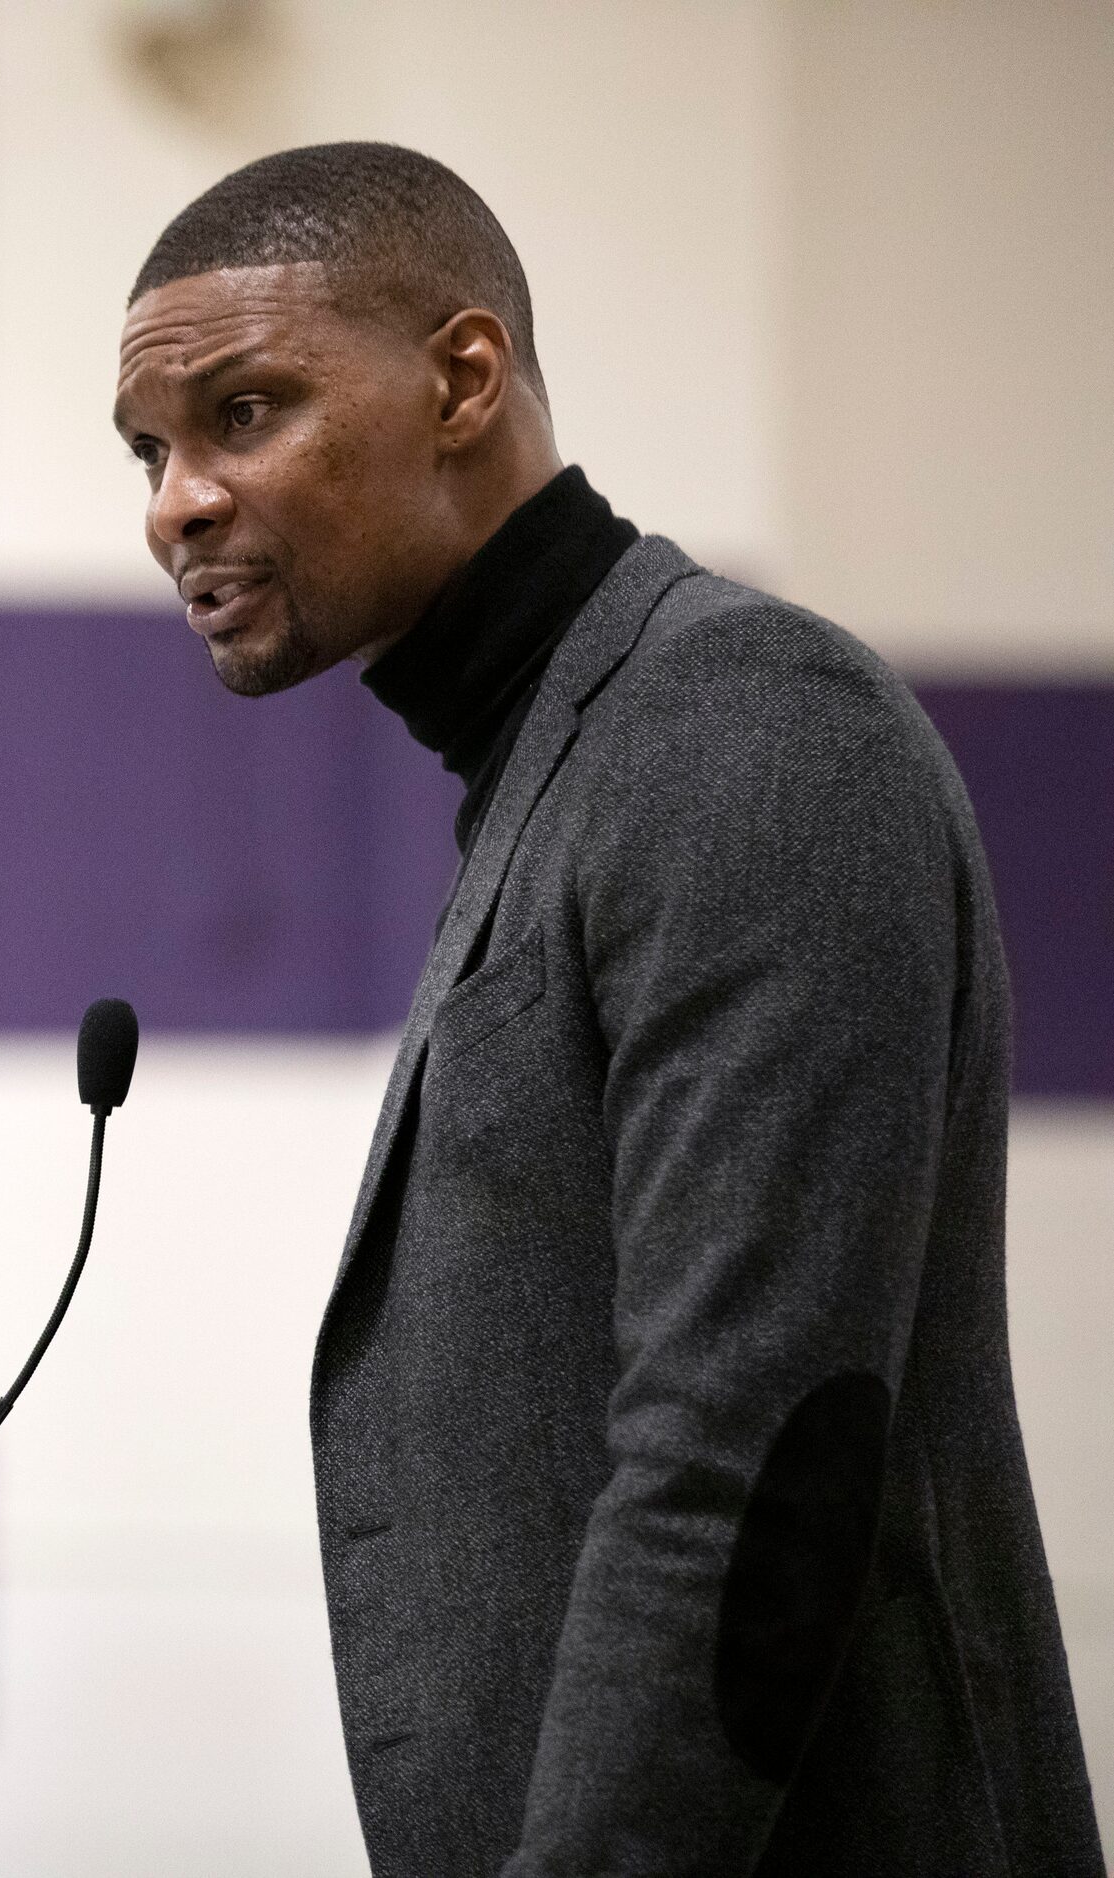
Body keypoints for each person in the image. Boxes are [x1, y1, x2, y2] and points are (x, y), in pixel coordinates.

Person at [112, 142, 1101, 1875]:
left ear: (460, 379)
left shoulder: (742, 727)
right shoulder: (563, 762)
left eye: (242, 411)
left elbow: (750, 1465)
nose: (176, 501)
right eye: (148, 453)